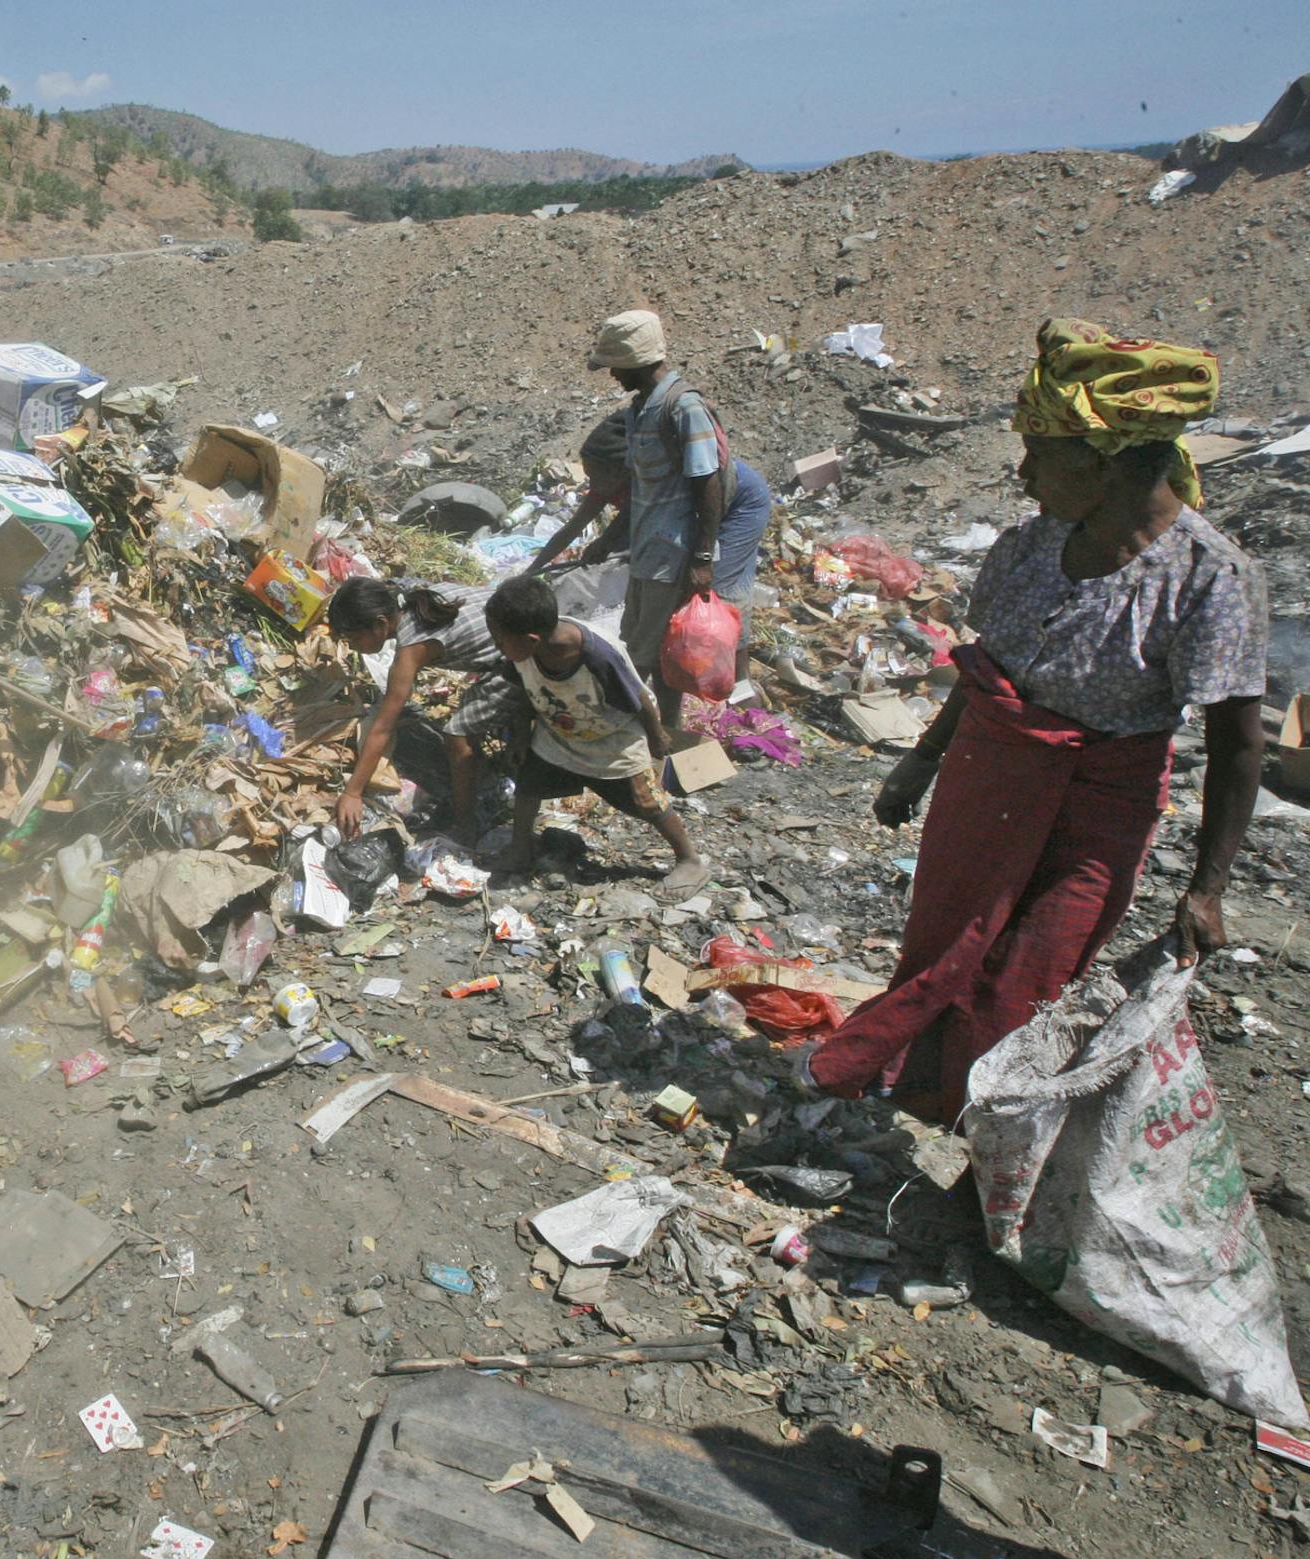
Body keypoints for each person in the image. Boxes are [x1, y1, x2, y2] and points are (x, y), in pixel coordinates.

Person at [800, 318, 1268, 1124]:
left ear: (1106, 464)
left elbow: (1237, 741)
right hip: (991, 767)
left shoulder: (1210, 577)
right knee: (943, 940)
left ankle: (981, 1123)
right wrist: (921, 762)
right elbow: (989, 668)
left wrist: (1207, 887)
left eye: (1039, 455)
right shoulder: (1028, 547)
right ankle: (912, 1085)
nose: (1023, 477)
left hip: (1100, 796)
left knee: (1033, 970)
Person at [482, 574, 708, 893]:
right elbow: (523, 693)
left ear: (531, 640)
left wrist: (656, 741)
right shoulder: (522, 655)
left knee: (647, 800)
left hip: (613, 740)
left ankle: (689, 860)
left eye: (500, 640)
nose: (497, 646)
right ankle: (521, 849)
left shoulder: (598, 656)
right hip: (560, 733)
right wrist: (521, 737)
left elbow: (641, 701)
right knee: (528, 783)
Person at [578, 309, 742, 726]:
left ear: (635, 361)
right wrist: (608, 540)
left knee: (640, 653)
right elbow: (640, 493)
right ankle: (661, 735)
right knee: (653, 649)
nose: (613, 375)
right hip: (647, 551)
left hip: (674, 556)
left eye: (616, 366)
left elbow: (709, 485)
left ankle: (638, 737)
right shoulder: (641, 411)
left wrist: (703, 558)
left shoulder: (683, 408)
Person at [529, 408, 774, 682]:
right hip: (698, 515)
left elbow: (637, 522)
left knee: (720, 592)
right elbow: (572, 528)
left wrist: (607, 543)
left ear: (624, 470)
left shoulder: (655, 483)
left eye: (598, 475)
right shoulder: (610, 485)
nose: (593, 483)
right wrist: (531, 571)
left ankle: (736, 682)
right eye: (589, 475)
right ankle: (696, 670)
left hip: (739, 505)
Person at [326, 576, 520, 844]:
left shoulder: (413, 648)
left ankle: (465, 828)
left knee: (457, 737)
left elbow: (383, 726)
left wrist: (352, 792)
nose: (352, 646)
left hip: (518, 658)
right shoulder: (416, 597)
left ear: (381, 624)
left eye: (353, 637)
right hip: (514, 628)